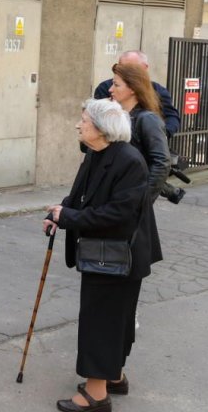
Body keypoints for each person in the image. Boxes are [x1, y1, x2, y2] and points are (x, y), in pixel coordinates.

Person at [43, 98, 151, 412]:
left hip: (118, 255)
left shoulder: (130, 160)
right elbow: (79, 196)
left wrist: (69, 218)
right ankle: (113, 376)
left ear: (102, 130)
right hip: (105, 252)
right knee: (113, 320)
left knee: (102, 321)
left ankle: (96, 394)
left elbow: (116, 215)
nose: (79, 125)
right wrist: (58, 213)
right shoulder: (98, 153)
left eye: (84, 121)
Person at [107, 62, 170, 331]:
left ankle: (125, 320)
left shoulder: (146, 119)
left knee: (130, 263)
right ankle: (116, 317)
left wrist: (143, 199)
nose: (110, 88)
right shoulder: (119, 116)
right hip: (118, 204)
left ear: (132, 89)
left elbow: (162, 161)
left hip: (134, 207)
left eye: (117, 84)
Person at [93, 50, 179, 138]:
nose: (124, 71)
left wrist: (159, 136)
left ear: (144, 68)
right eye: (121, 67)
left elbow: (171, 117)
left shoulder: (158, 91)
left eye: (131, 68)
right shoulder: (105, 88)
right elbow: (96, 121)